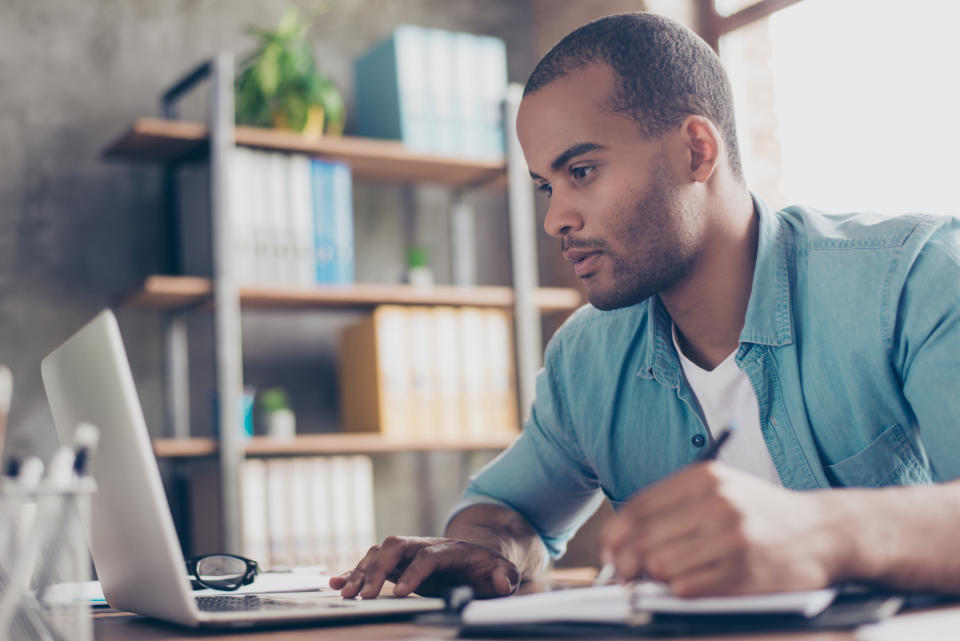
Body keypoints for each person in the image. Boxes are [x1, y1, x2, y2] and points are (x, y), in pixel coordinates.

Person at [330, 11, 960, 600]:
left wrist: (823, 533)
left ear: (696, 151)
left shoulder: (912, 279)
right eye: (547, 185)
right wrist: (484, 550)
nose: (554, 219)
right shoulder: (587, 356)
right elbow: (507, 510)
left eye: (581, 171)